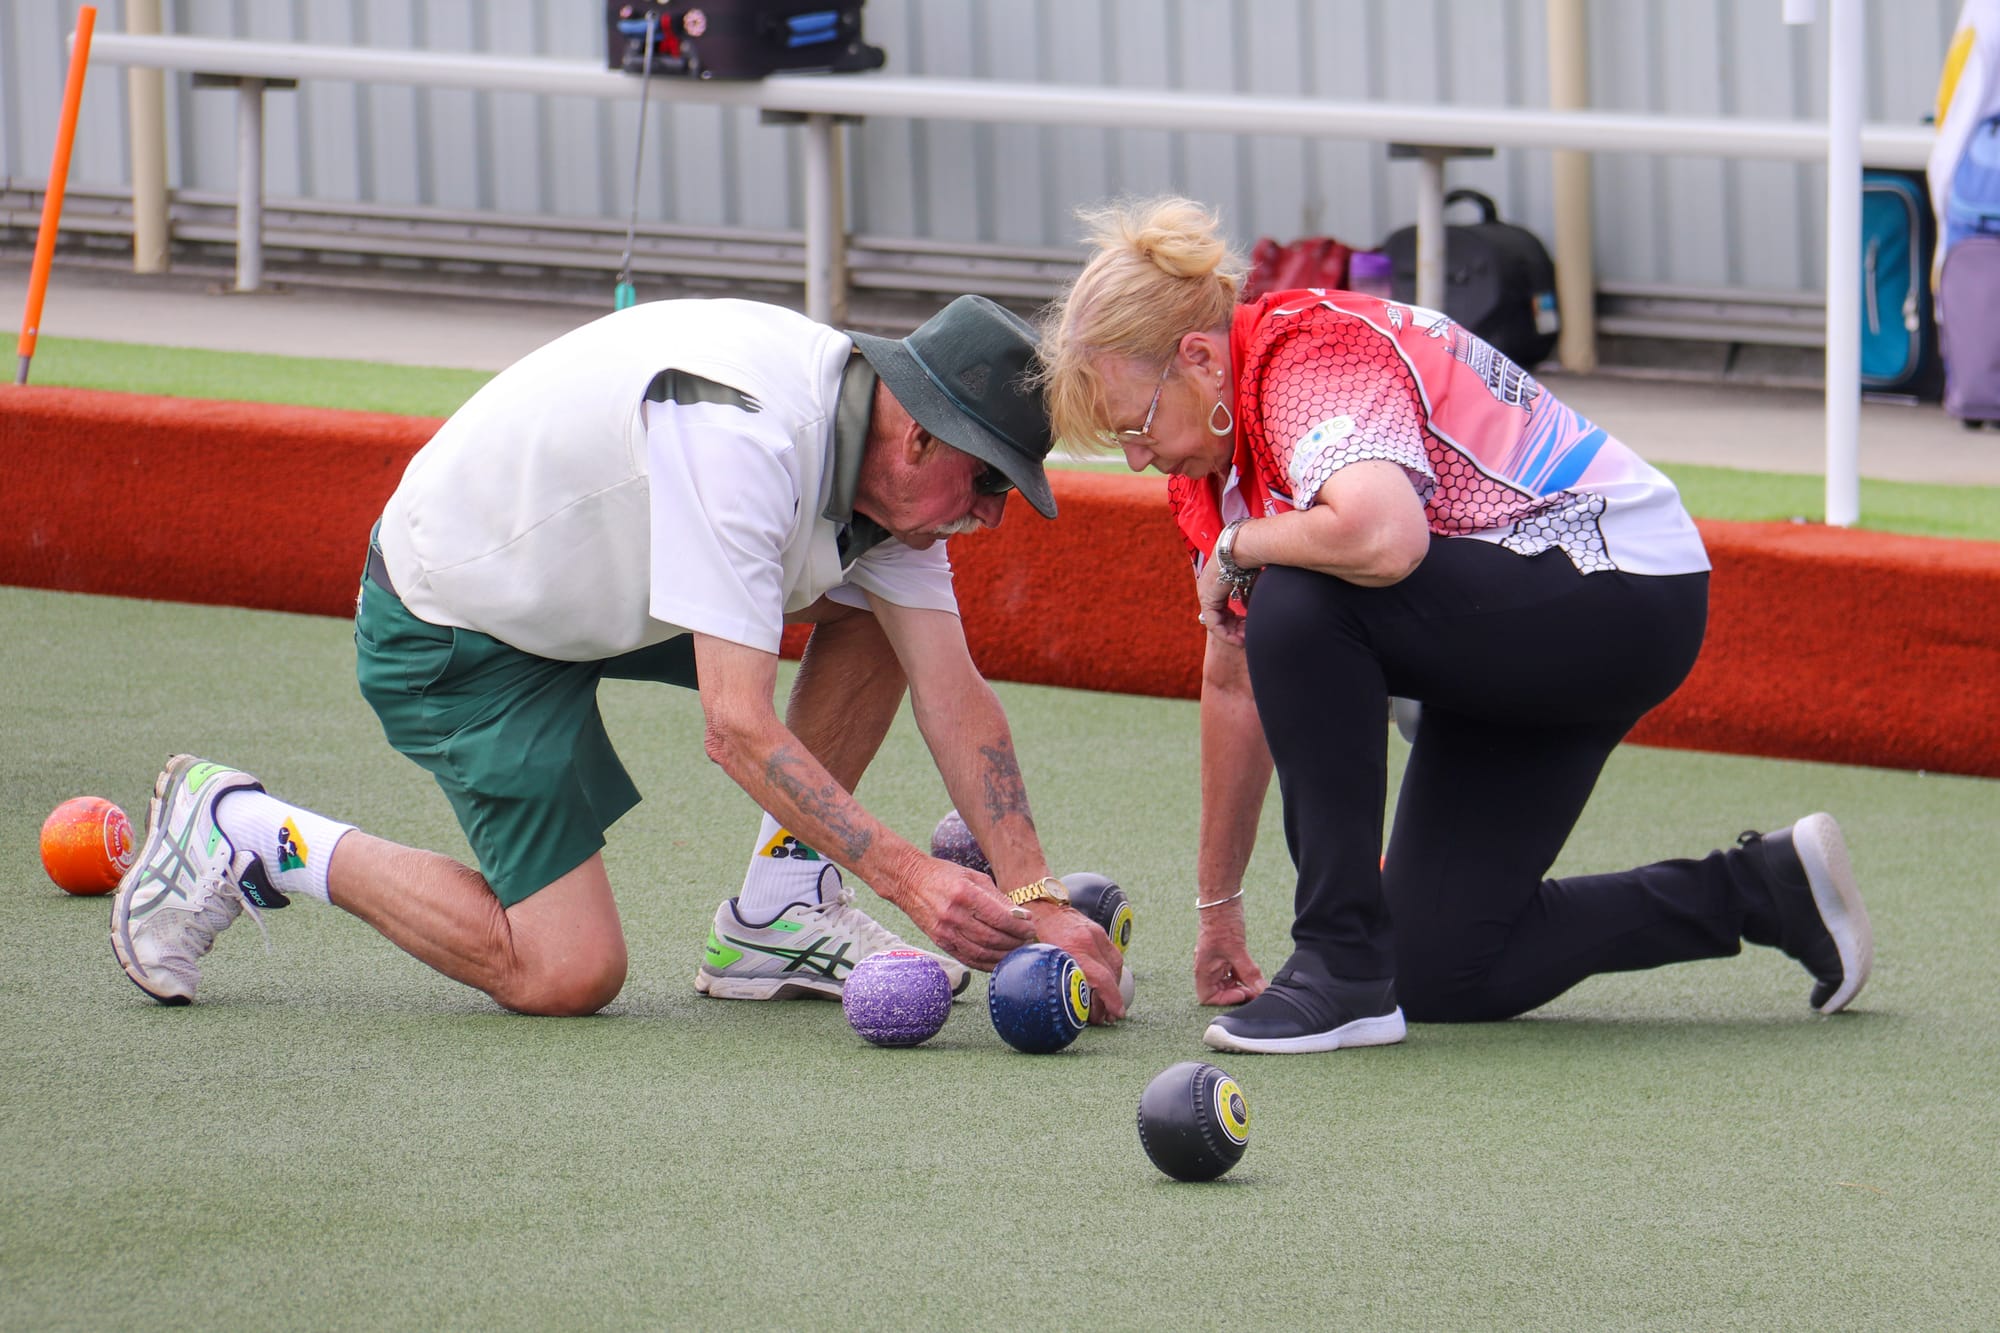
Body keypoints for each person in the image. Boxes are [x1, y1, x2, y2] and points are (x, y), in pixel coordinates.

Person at [110, 294, 1126, 1020]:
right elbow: (734, 728)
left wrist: (1032, 897)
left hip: (606, 588)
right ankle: (241, 827)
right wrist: (913, 879)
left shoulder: (884, 475)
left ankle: (776, 912)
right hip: (463, 619)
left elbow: (955, 696)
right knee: (564, 971)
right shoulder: (746, 442)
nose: (988, 518)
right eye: (988, 486)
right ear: (919, 441)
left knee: (875, 620)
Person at [1036, 198, 1871, 1054]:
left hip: (1619, 584)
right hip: (1509, 617)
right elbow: (1235, 677)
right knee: (1437, 965)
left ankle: (1337, 965)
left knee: (1302, 590)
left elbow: (1384, 537)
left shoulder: (1304, 351)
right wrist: (1218, 913)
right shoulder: (1208, 473)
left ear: (1200, 359)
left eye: (1135, 425)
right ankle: (1760, 889)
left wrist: (1243, 543)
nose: (1137, 457)